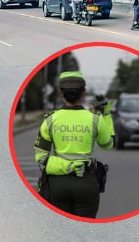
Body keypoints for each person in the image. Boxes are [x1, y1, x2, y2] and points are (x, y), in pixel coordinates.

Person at [34, 71, 115, 218]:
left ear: (60, 93)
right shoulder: (96, 119)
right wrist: (107, 115)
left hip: (57, 184)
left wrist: (67, 167)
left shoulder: (50, 120)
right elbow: (108, 144)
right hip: (87, 183)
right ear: (83, 93)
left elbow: (40, 157)